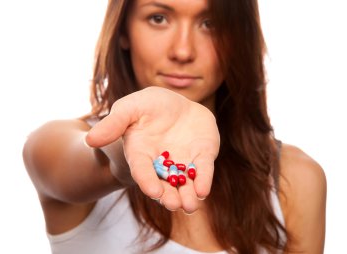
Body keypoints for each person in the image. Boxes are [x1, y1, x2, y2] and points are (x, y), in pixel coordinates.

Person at [23, 0, 327, 253]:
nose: (183, 51)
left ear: (239, 37)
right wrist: (123, 150)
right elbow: (92, 158)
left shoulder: (295, 179)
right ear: (123, 30)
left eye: (211, 24)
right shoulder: (52, 144)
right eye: (158, 18)